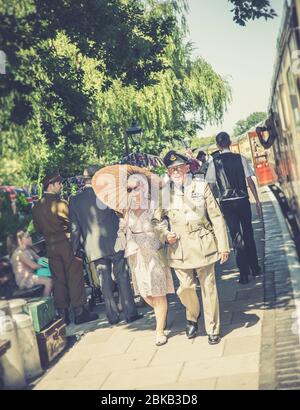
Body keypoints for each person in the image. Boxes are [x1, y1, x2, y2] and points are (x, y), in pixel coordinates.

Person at [152, 151, 230, 345]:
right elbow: (155, 221)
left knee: (208, 288)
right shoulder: (163, 194)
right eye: (171, 169)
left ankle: (212, 328)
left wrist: (223, 246)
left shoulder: (201, 186)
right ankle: (193, 315)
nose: (175, 172)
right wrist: (163, 234)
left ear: (187, 168)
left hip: (203, 243)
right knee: (185, 288)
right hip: (179, 247)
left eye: (178, 167)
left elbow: (217, 217)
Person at [69, 165, 141, 325]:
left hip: (94, 247)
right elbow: (122, 212)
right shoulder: (108, 193)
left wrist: (75, 249)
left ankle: (112, 316)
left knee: (104, 281)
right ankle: (130, 313)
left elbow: (74, 228)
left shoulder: (74, 200)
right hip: (115, 241)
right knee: (122, 275)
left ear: (84, 181)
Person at [116, 173, 175, 346]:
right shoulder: (126, 210)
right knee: (144, 293)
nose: (133, 192)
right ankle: (160, 312)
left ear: (144, 187)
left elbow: (162, 227)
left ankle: (159, 330)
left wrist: (166, 235)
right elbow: (122, 235)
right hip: (137, 256)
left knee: (158, 293)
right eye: (129, 189)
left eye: (136, 187)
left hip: (154, 253)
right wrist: (123, 227)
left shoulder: (153, 206)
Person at [32, 172, 98, 325]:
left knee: (58, 280)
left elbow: (38, 230)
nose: (61, 186)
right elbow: (73, 223)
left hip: (50, 245)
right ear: (51, 185)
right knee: (74, 276)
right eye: (59, 183)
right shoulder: (60, 204)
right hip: (65, 243)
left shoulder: (36, 207)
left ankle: (63, 316)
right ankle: (80, 312)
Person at [205, 132, 262, 284]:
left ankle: (243, 274)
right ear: (230, 142)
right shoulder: (240, 158)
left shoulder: (213, 163)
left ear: (218, 145)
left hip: (227, 204)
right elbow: (250, 181)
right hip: (243, 200)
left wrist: (212, 207)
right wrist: (257, 200)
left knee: (236, 236)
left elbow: (209, 186)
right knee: (248, 233)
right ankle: (255, 268)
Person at [10, 230, 53, 296]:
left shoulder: (28, 249)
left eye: (30, 236)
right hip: (25, 279)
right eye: (28, 237)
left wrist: (51, 262)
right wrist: (45, 266)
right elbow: (34, 266)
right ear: (21, 240)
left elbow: (39, 258)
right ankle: (45, 303)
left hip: (33, 274)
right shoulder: (20, 253)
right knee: (49, 281)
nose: (30, 238)